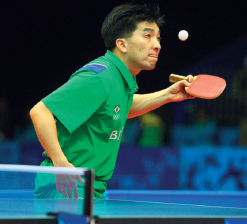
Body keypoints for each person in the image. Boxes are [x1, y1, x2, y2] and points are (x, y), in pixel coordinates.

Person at [30, 2, 194, 199]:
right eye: (148, 36)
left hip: (87, 187)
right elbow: (40, 111)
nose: (157, 45)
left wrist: (168, 95)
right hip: (68, 186)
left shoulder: (119, 78)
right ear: (122, 44)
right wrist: (61, 164)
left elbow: (122, 107)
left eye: (158, 38)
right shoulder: (99, 76)